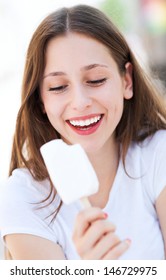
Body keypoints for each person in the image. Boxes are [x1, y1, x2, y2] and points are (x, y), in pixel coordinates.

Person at [0, 4, 166, 260]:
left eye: (96, 80)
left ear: (127, 81)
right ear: (41, 101)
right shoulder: (22, 199)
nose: (80, 102)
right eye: (57, 87)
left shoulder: (159, 154)